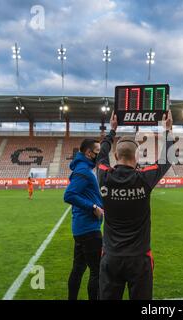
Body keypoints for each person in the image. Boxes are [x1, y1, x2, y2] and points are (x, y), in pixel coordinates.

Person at [98, 110, 175, 300]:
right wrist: (168, 130)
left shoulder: (103, 176)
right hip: (139, 259)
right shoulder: (144, 178)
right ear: (137, 157)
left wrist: (112, 130)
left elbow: (101, 154)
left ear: (115, 155)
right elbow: (167, 158)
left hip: (111, 256)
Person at [63, 138, 104, 300]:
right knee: (97, 271)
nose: (99, 155)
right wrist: (93, 207)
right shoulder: (83, 171)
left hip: (81, 228)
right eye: (97, 152)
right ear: (88, 153)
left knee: (78, 268)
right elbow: (69, 195)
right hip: (89, 229)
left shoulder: (83, 168)